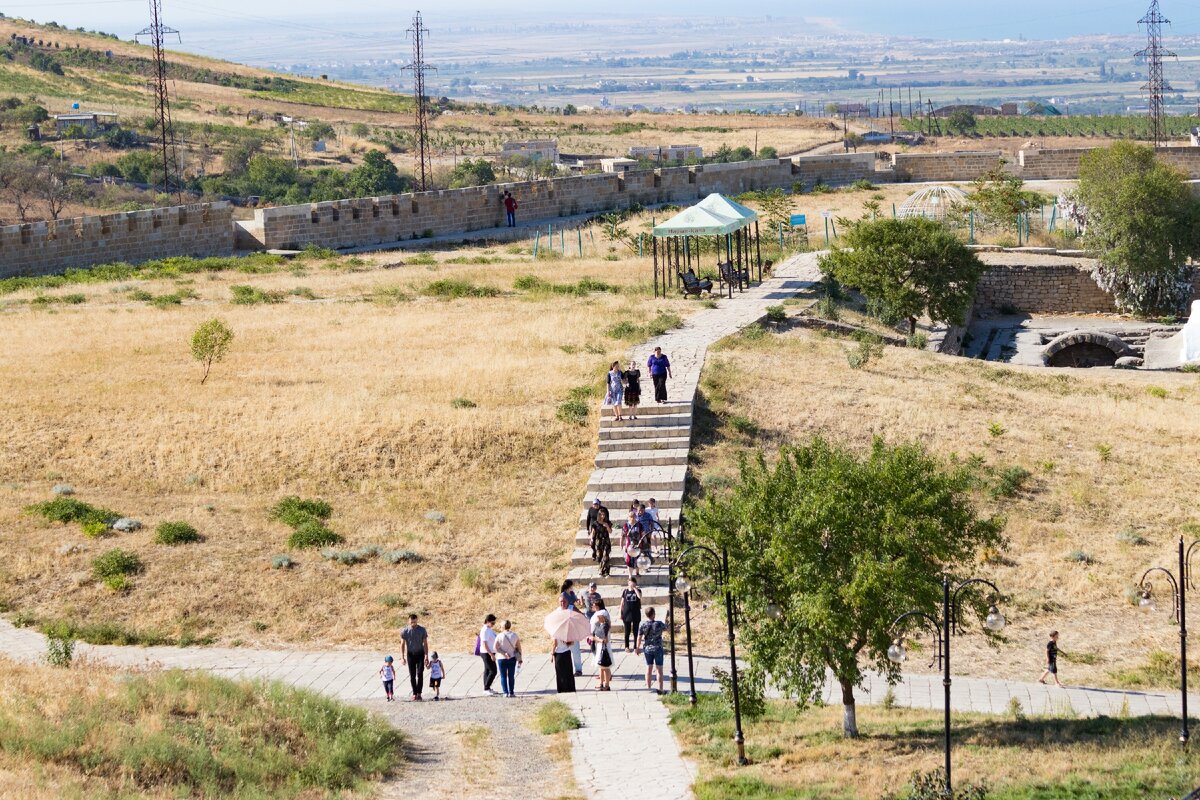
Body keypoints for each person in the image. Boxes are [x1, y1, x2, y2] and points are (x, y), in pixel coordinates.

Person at [636, 607, 668, 694]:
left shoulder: (643, 625)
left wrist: (637, 648)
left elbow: (639, 637)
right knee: (659, 669)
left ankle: (648, 687)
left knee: (648, 667)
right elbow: (667, 628)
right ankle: (660, 688)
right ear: (653, 614)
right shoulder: (659, 624)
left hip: (647, 649)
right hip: (658, 648)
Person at [400, 614, 430, 701]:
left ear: (417, 620)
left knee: (420, 674)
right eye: (411, 622)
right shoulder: (405, 631)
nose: (413, 624)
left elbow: (425, 643)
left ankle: (419, 693)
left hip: (420, 654)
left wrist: (426, 655)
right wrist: (402, 657)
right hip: (410, 655)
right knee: (412, 675)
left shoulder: (422, 630)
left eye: (414, 622)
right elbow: (402, 644)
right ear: (408, 621)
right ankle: (414, 693)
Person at [550, 596, 577, 693]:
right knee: (568, 672)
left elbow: (554, 643)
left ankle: (562, 689)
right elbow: (571, 642)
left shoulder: (556, 630)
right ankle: (570, 688)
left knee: (560, 673)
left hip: (560, 653)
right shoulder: (566, 629)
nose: (562, 603)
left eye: (564, 601)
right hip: (566, 651)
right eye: (561, 601)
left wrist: (552, 654)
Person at [560, 580, 584, 675]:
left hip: (573, 621)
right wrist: (579, 612)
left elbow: (574, 601)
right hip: (567, 620)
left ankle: (578, 669)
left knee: (575, 649)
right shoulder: (563, 595)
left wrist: (579, 601)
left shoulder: (571, 593)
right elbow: (570, 606)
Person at [494, 620, 523, 698]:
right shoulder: (514, 635)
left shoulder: (499, 636)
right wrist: (520, 658)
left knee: (503, 676)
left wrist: (503, 653)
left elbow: (495, 648)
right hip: (512, 657)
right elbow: (519, 648)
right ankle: (511, 692)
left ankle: (505, 692)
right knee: (511, 676)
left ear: (503, 627)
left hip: (501, 658)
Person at [591, 598, 613, 691]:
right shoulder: (602, 621)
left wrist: (594, 638)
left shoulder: (604, 625)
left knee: (605, 666)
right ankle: (601, 683)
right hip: (600, 646)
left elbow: (604, 640)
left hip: (603, 646)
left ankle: (607, 685)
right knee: (601, 666)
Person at [620, 577, 643, 651]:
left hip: (636, 613)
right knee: (627, 631)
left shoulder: (638, 590)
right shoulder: (625, 591)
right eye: (630, 582)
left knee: (635, 631)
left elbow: (639, 597)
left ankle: (635, 647)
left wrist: (635, 589)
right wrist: (620, 613)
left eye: (633, 582)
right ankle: (626, 646)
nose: (631, 583)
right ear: (628, 583)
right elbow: (622, 603)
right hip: (626, 614)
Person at [479, 614, 499, 695]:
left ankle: (487, 688)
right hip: (486, 653)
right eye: (492, 623)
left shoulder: (488, 629)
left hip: (489, 652)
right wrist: (491, 654)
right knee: (493, 671)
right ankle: (486, 688)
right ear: (487, 621)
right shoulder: (485, 630)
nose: (493, 625)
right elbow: (484, 644)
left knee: (487, 670)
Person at [590, 508, 612, 578]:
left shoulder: (608, 522)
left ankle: (604, 572)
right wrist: (591, 539)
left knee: (606, 556)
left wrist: (607, 526)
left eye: (604, 515)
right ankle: (603, 570)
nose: (603, 516)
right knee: (599, 557)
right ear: (599, 515)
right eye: (601, 515)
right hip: (598, 541)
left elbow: (610, 531)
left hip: (606, 541)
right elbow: (593, 532)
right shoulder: (595, 523)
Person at [622, 510, 644, 578]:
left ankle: (637, 572)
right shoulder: (626, 525)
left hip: (637, 544)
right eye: (631, 516)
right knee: (629, 560)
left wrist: (643, 542)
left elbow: (643, 534)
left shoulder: (639, 525)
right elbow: (623, 535)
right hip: (629, 545)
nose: (632, 518)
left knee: (638, 559)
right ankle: (630, 575)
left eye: (633, 516)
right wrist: (622, 544)